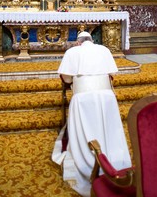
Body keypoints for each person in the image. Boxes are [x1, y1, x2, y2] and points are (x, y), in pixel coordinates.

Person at [52, 31, 132, 197]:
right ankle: (114, 160)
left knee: (86, 129)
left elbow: (66, 79)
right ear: (91, 41)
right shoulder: (104, 50)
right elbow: (111, 75)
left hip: (83, 99)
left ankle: (87, 161)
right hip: (106, 98)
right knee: (108, 130)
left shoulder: (72, 52)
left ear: (79, 42)